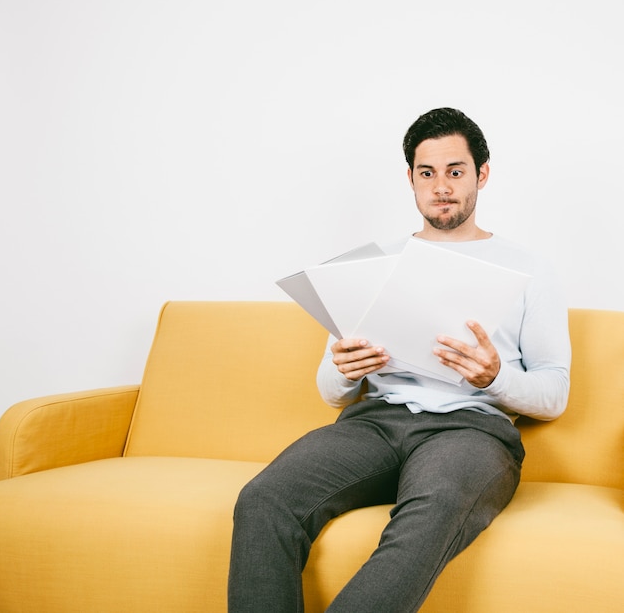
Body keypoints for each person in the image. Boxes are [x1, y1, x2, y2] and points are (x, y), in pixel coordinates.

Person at [228, 107, 571, 612]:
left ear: (482, 173)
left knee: (434, 507)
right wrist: (346, 369)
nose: (442, 187)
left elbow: (554, 393)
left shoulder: (530, 269)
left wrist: (497, 378)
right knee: (264, 498)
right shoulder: (371, 264)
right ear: (410, 179)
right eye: (427, 174)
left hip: (470, 431)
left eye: (456, 171)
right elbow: (329, 390)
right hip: (375, 423)